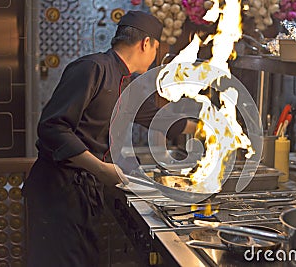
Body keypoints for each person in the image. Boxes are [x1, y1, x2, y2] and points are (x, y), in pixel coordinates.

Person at [22, 11, 195, 267]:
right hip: (58, 193)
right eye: (156, 48)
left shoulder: (126, 82)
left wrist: (208, 129)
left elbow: (159, 118)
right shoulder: (93, 68)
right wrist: (102, 169)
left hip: (84, 193)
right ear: (146, 43)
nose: (155, 56)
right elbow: (53, 129)